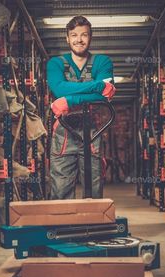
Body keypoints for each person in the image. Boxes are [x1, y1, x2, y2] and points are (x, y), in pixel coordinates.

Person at [46, 15, 116, 199]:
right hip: (64, 133)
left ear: (90, 37)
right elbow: (58, 88)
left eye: (84, 35)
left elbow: (105, 97)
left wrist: (67, 100)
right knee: (60, 191)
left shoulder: (103, 62)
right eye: (74, 35)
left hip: (92, 131)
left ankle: (92, 227)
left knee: (93, 190)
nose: (79, 39)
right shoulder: (56, 63)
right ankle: (62, 228)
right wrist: (97, 86)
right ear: (67, 38)